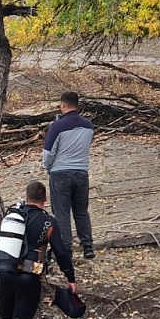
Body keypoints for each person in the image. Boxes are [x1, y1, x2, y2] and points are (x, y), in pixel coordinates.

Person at [0, 181, 77, 319]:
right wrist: (70, 278)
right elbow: (61, 252)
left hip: (5, 273)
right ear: (45, 199)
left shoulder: (13, 215)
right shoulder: (48, 222)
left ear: (26, 196)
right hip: (29, 277)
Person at [42, 91, 95, 259]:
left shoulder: (57, 126)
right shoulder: (88, 126)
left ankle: (66, 248)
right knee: (81, 210)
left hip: (60, 173)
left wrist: (47, 167)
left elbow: (48, 153)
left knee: (62, 212)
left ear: (63, 105)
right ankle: (87, 246)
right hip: (81, 172)